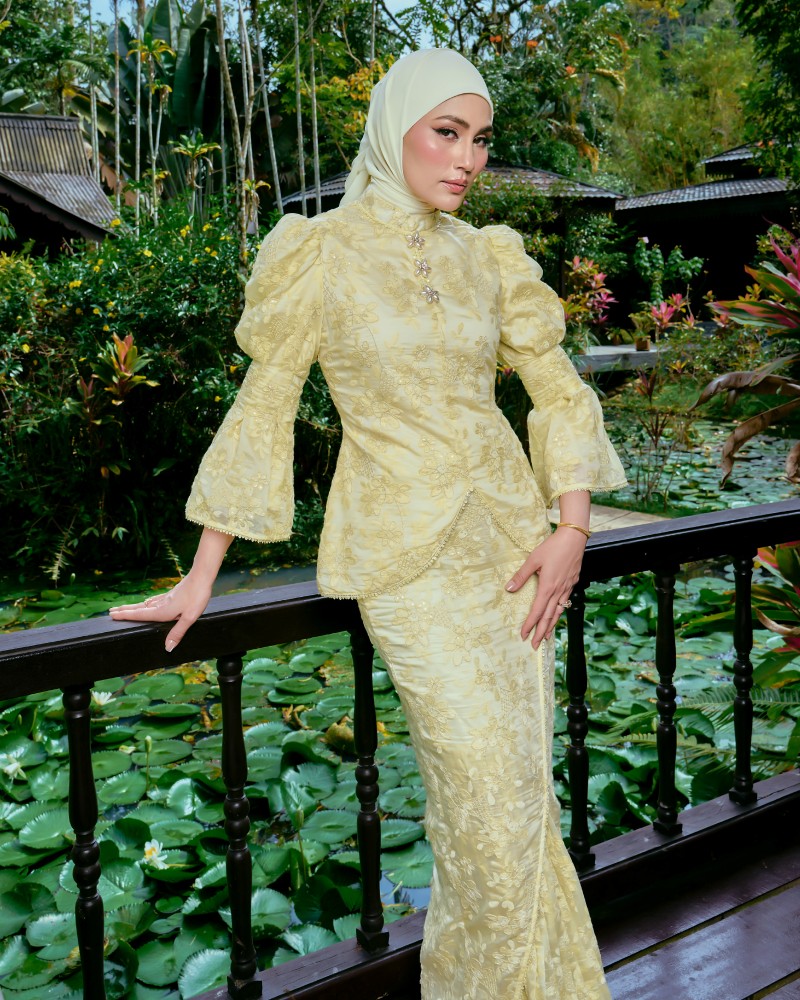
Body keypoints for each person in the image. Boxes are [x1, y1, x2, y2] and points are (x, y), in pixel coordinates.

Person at [111, 47, 625, 999]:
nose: (467, 158)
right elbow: (264, 405)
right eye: (446, 132)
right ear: (394, 129)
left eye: (480, 139)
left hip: (515, 557)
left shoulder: (488, 255)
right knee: (484, 807)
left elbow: (556, 388)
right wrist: (203, 570)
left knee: (519, 807)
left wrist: (572, 530)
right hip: (410, 570)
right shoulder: (321, 250)